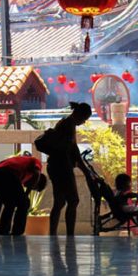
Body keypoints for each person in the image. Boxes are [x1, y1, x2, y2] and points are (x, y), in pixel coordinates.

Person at [45, 101, 96, 236]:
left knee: (60, 202)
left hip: (55, 166)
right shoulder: (68, 125)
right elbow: (73, 151)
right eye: (84, 118)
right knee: (73, 200)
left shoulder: (66, 122)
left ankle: (53, 234)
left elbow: (73, 150)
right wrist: (85, 171)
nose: (84, 122)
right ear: (79, 114)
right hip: (62, 168)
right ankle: (69, 235)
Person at [0, 155, 47, 235]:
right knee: (24, 203)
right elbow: (37, 174)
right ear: (37, 182)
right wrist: (26, 195)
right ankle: (17, 232)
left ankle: (3, 230)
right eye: (34, 188)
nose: (28, 187)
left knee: (10, 203)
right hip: (6, 172)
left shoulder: (19, 176)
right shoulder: (36, 163)